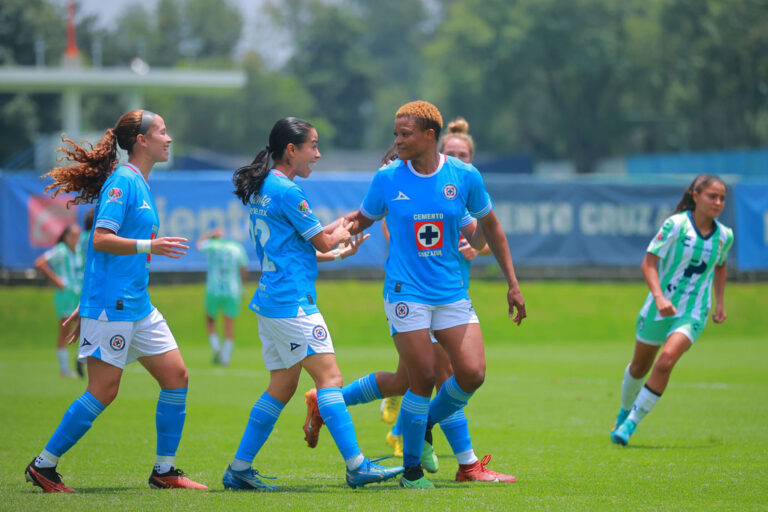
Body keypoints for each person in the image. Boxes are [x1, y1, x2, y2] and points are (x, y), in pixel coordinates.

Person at [340, 101, 526, 488]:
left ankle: (420, 424)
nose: (397, 140)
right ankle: (411, 472)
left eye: (405, 134)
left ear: (429, 136)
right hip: (406, 293)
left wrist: (512, 283)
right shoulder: (388, 178)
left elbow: (490, 230)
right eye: (396, 133)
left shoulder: (464, 176)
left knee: (472, 374)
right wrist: (316, 234)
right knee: (421, 376)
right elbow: (360, 219)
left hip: (451, 293)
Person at [25, 110, 207, 492]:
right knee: (104, 390)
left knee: (177, 377)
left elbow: (101, 255)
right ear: (141, 140)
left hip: (135, 303)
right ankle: (44, 465)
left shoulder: (140, 181)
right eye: (161, 131)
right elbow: (101, 239)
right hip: (115, 305)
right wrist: (148, 246)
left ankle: (165, 471)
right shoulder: (123, 182)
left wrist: (87, 299)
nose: (168, 137)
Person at [223, 116, 403, 491]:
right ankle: (357, 466)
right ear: (292, 150)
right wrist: (362, 217)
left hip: (272, 300)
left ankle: (239, 468)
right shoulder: (288, 191)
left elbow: (295, 249)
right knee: (330, 379)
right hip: (293, 304)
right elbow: (322, 240)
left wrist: (336, 250)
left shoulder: (264, 188)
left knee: (281, 387)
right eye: (313, 146)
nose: (318, 154)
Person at [611, 174, 734, 446]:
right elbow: (648, 263)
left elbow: (721, 265)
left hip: (693, 312)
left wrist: (720, 302)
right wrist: (659, 298)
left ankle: (631, 424)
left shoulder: (725, 235)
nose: (718, 202)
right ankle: (623, 410)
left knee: (666, 361)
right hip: (658, 308)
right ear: (696, 195)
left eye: (722, 198)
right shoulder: (676, 225)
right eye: (712, 196)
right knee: (638, 368)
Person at [35, 223, 83, 378]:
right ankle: (64, 369)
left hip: (78, 294)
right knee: (65, 330)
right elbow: (40, 263)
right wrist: (56, 280)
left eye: (78, 235)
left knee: (85, 327)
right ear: (66, 236)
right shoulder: (60, 250)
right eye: (73, 235)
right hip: (65, 295)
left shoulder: (78, 251)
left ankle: (82, 362)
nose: (76, 238)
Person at [197, 227, 249, 366]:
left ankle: (217, 348)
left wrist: (209, 234)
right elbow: (244, 268)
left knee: (210, 320)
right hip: (232, 289)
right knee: (229, 325)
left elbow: (199, 245)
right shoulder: (236, 247)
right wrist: (243, 287)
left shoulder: (212, 245)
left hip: (213, 288)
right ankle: (226, 358)